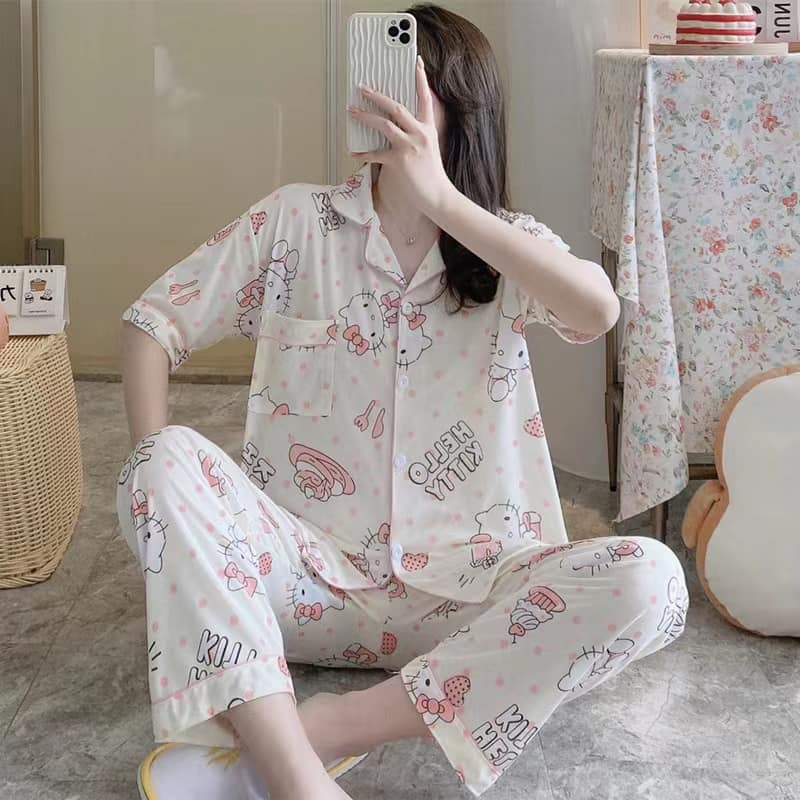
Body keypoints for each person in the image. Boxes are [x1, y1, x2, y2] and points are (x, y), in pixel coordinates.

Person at [118, 4, 688, 799]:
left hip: (475, 599)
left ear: (461, 107)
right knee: (165, 460)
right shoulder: (295, 223)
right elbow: (152, 323)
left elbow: (597, 310)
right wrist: (160, 514)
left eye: (408, 81)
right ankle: (297, 782)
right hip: (303, 585)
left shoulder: (504, 241)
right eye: (374, 76)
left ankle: (323, 730)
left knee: (653, 583)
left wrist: (446, 202)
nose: (379, 97)